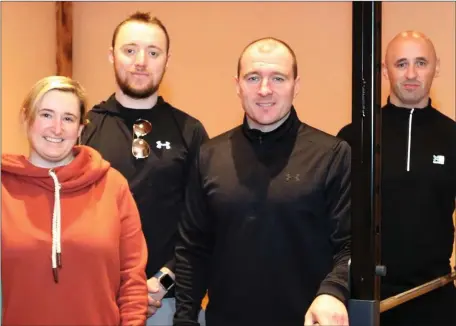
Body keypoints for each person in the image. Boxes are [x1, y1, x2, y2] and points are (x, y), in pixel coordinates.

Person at [173, 37, 351, 326]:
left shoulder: (332, 154)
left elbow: (350, 245)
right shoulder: (209, 156)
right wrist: (185, 319)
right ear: (237, 85)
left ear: (297, 85)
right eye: (253, 77)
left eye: (278, 78)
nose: (264, 90)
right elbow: (193, 248)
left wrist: (334, 291)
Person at [80, 11, 209, 325]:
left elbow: (204, 223)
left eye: (153, 52)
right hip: (97, 299)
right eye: (130, 50)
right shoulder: (84, 128)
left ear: (167, 59)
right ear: (112, 56)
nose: (141, 61)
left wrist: (162, 282)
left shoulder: (190, 132)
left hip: (166, 301)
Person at [1, 76, 148, 326]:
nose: (56, 128)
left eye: (68, 118)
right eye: (46, 115)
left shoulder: (113, 186)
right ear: (27, 118)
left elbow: (132, 279)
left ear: (81, 129)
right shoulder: (4, 187)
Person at [337, 31, 456, 325]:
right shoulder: (354, 136)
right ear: (384, 70)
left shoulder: (452, 137)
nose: (412, 73)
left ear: (436, 67)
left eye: (421, 62)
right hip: (367, 299)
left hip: (436, 298)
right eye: (401, 64)